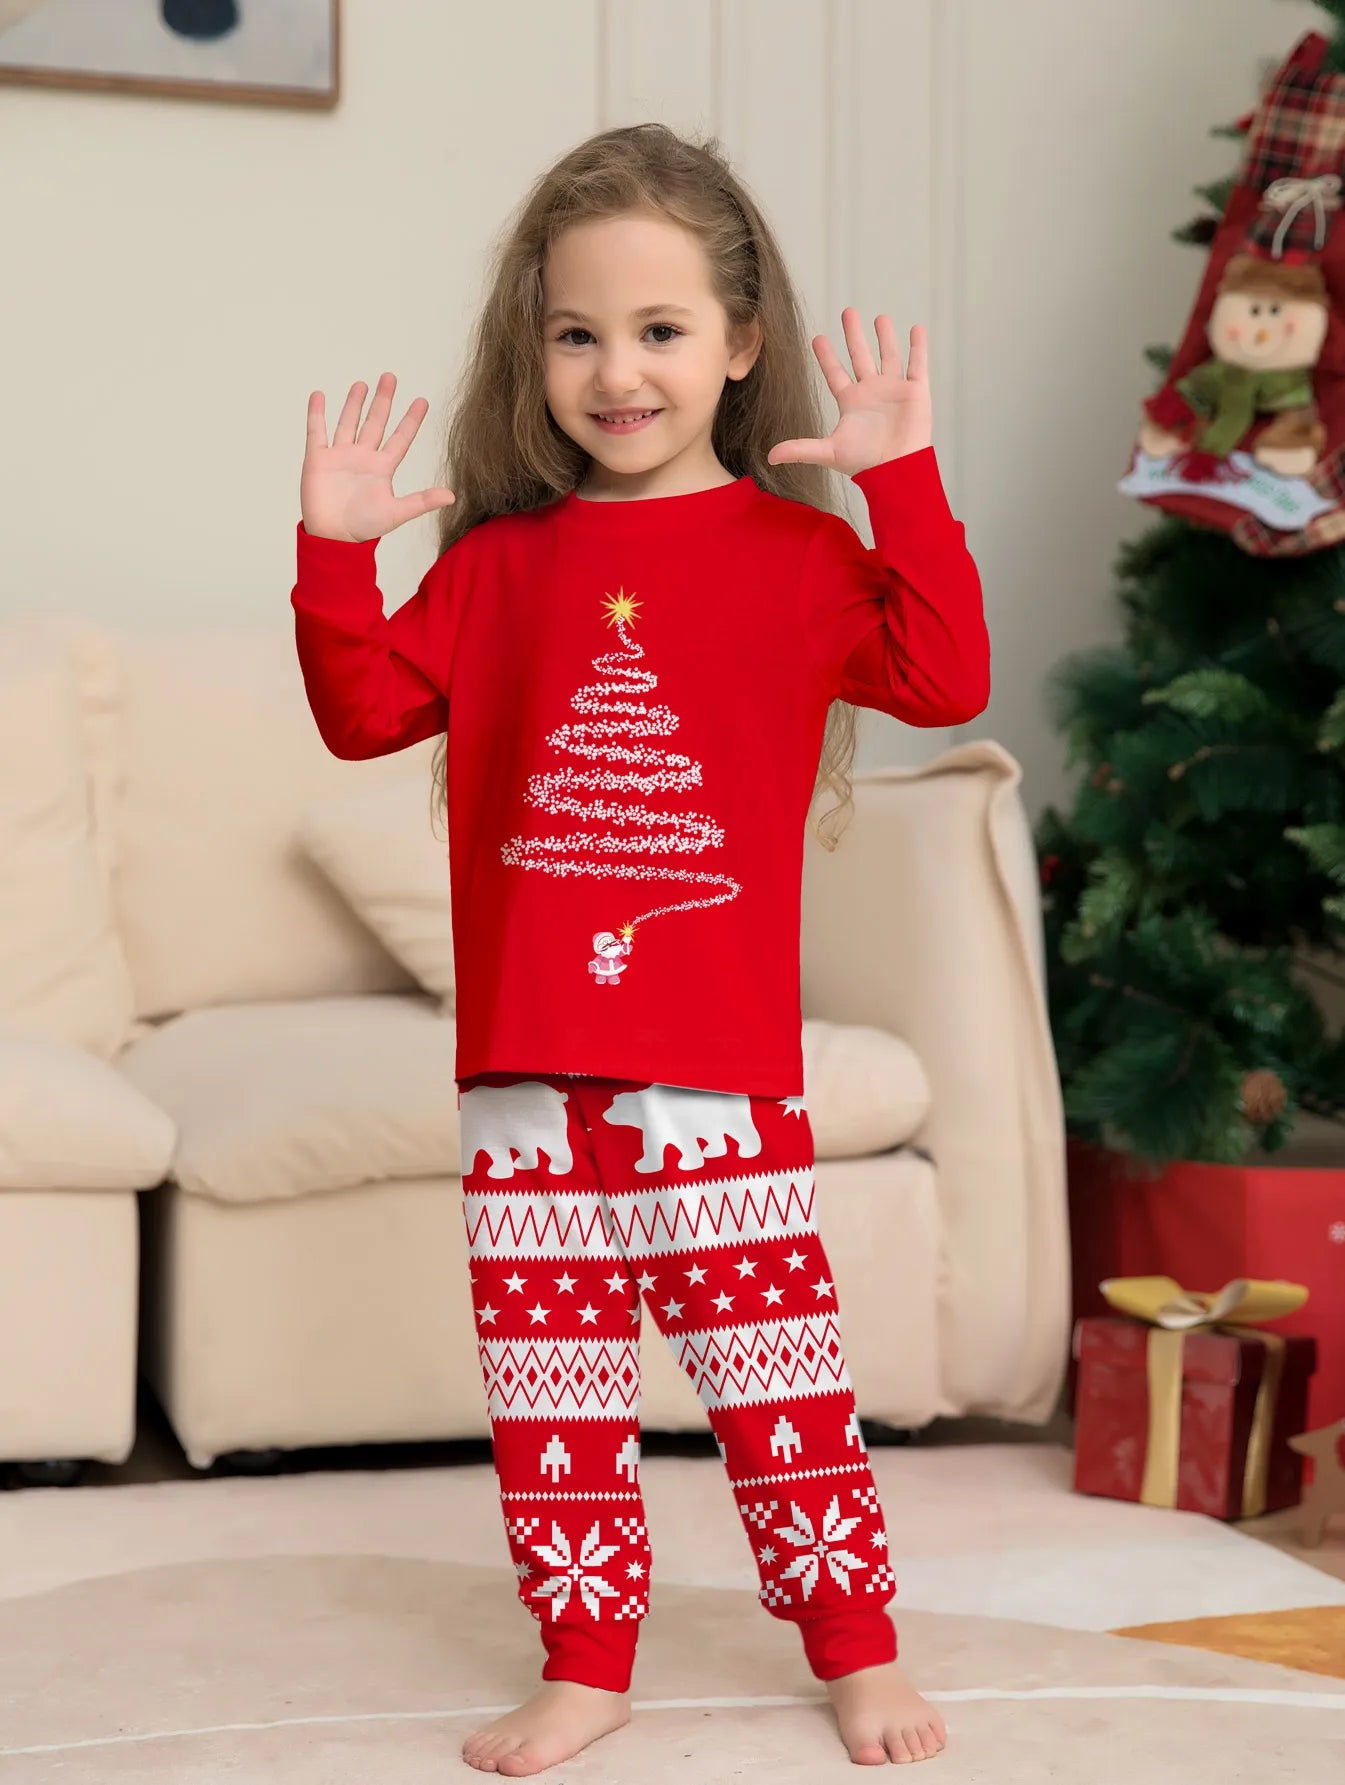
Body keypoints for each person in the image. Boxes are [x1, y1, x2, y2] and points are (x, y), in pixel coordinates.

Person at [290, 121, 989, 1775]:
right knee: (550, 1392)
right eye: (577, 332)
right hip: (522, 1070)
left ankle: (852, 1646)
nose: (618, 371)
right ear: (532, 350)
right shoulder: (496, 562)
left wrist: (899, 477)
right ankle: (585, 1659)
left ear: (740, 345)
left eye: (661, 331)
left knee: (773, 1374)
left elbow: (947, 676)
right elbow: (361, 712)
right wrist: (334, 550)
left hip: (714, 1071)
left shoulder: (801, 556)